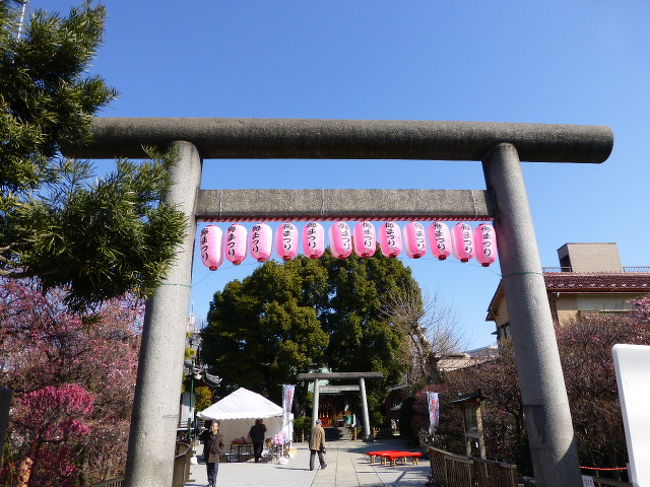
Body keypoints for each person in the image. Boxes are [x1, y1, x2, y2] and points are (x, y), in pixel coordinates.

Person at [199, 420, 224, 487]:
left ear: (217, 427)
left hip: (215, 455)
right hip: (208, 455)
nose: (212, 427)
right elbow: (200, 437)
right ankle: (210, 482)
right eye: (211, 425)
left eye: (213, 426)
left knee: (215, 470)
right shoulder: (207, 434)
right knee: (209, 469)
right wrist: (203, 431)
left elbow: (222, 445)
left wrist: (218, 450)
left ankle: (214, 483)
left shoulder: (220, 436)